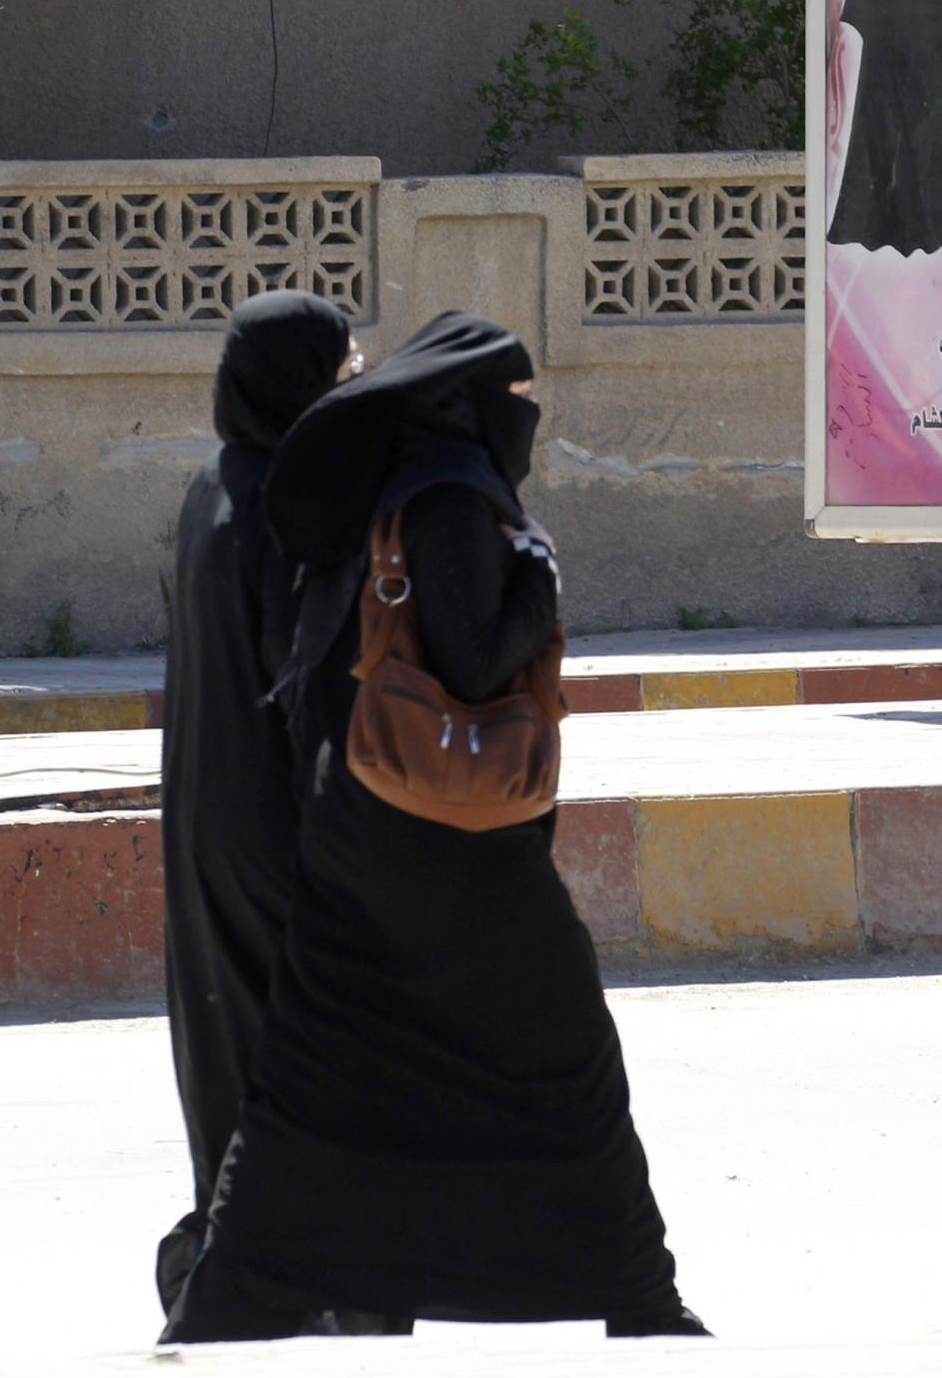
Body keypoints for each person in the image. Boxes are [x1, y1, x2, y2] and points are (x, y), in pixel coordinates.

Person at [162, 311, 706, 1343]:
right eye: (516, 396)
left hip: (280, 832)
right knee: (550, 1065)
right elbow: (461, 654)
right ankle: (635, 1300)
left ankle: (232, 1291)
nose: (529, 415)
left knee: (294, 1078)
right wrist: (537, 576)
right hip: (365, 839)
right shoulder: (435, 495)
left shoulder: (270, 493)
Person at [154, 291, 357, 1313]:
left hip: (200, 815)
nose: (353, 381)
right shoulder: (285, 500)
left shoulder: (211, 486)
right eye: (341, 367)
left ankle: (228, 1256)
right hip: (272, 823)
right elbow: (299, 677)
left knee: (230, 1044)